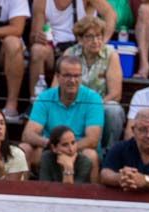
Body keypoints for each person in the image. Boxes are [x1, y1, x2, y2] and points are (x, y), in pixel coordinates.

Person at [21, 54, 103, 172]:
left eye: (76, 76)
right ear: (58, 77)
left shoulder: (93, 99)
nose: (72, 80)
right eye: (67, 76)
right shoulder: (45, 97)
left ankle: (93, 191)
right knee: (24, 149)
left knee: (90, 155)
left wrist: (68, 149)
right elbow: (28, 134)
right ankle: (22, 190)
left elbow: (92, 140)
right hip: (51, 148)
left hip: (79, 150)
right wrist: (52, 145)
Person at [28, 0, 116, 97]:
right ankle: (36, 101)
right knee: (37, 50)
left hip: (81, 47)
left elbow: (110, 13)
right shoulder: (41, 2)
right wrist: (38, 37)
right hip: (54, 48)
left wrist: (102, 41)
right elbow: (33, 35)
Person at [67, 17, 125, 149]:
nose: (96, 41)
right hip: (74, 104)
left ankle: (109, 150)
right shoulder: (70, 53)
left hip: (101, 104)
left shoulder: (111, 54)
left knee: (113, 110)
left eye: (99, 36)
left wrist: (94, 106)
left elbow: (116, 94)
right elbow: (56, 87)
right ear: (80, 39)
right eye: (90, 37)